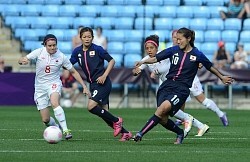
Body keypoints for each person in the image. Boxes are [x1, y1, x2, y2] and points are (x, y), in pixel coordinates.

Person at [133, 28, 234, 144]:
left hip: (181, 89)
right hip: (166, 85)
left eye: (180, 39)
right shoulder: (174, 50)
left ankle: (140, 133)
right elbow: (156, 58)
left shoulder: (197, 54)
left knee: (162, 109)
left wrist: (221, 77)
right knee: (162, 118)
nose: (178, 41)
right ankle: (180, 133)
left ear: (188, 39)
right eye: (176, 39)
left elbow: (209, 66)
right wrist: (142, 62)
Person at [18, 34, 90, 140]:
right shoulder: (39, 52)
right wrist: (22, 60)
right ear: (45, 45)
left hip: (54, 83)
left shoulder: (61, 56)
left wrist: (84, 86)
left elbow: (73, 72)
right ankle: (57, 129)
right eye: (50, 46)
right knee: (46, 120)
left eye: (54, 45)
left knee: (55, 103)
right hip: (40, 87)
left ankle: (66, 130)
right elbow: (23, 59)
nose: (52, 48)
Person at [70, 27, 132, 141]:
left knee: (90, 107)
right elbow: (69, 65)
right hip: (93, 85)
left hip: (103, 83)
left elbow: (112, 61)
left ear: (93, 38)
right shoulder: (77, 52)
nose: (87, 39)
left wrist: (104, 75)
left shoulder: (98, 49)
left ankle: (117, 120)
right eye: (84, 37)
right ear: (80, 38)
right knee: (106, 117)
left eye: (89, 37)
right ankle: (126, 133)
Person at [170, 30, 229, 127]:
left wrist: (199, 63)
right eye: (175, 37)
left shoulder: (191, 50)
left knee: (202, 100)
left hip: (190, 79)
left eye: (178, 38)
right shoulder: (171, 50)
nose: (177, 40)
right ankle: (181, 118)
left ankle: (221, 114)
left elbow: (198, 60)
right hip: (178, 81)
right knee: (180, 99)